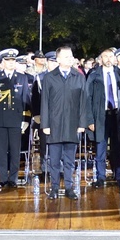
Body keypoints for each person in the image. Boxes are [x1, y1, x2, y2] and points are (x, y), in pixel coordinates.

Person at [41, 46, 87, 200]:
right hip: (54, 124)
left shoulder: (78, 76)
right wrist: (45, 125)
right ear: (58, 59)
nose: (70, 59)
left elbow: (83, 101)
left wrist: (82, 123)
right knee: (54, 160)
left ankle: (69, 187)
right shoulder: (49, 77)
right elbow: (45, 102)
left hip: (72, 124)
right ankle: (54, 187)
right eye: (66, 56)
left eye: (71, 56)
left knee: (69, 159)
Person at [85, 48, 120, 187]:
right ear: (100, 59)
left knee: (118, 147)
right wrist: (90, 120)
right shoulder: (94, 75)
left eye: (110, 56)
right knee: (100, 148)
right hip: (100, 116)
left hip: (117, 116)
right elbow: (87, 98)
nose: (108, 59)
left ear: (115, 58)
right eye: (105, 57)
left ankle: (119, 176)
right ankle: (100, 177)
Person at [0, 48, 32, 189]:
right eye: (7, 61)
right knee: (1, 150)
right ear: (2, 62)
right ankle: (3, 178)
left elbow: (26, 100)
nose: (10, 63)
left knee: (15, 150)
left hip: (16, 119)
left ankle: (13, 179)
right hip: (0, 119)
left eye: (12, 61)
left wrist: (26, 119)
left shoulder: (22, 77)